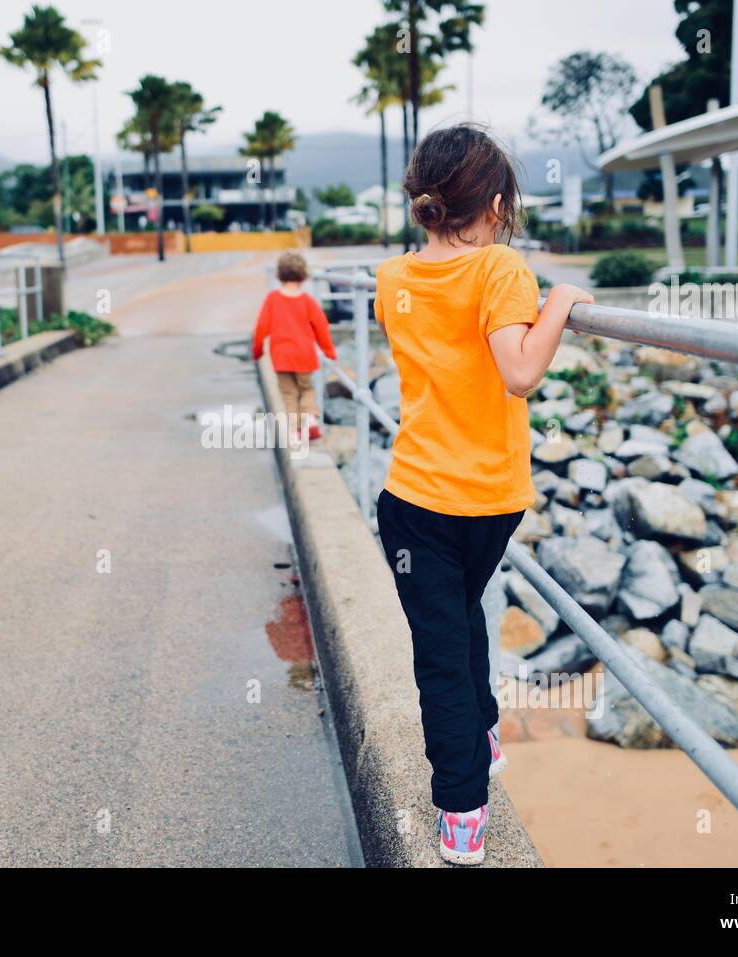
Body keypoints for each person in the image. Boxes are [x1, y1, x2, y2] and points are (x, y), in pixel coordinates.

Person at [372, 123, 594, 865]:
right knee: (459, 620)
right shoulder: (502, 268)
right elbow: (520, 370)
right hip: (493, 501)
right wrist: (560, 299)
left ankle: (464, 799)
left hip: (415, 502)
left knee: (442, 642)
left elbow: (458, 361)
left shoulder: (391, 279)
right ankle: (475, 763)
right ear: (497, 202)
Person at [251, 252, 337, 443]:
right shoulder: (307, 301)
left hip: (281, 358)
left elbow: (261, 327)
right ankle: (310, 419)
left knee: (288, 393)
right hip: (304, 356)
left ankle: (295, 432)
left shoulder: (272, 299)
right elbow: (321, 326)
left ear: (279, 275)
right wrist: (328, 350)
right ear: (303, 275)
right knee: (306, 389)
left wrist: (257, 351)